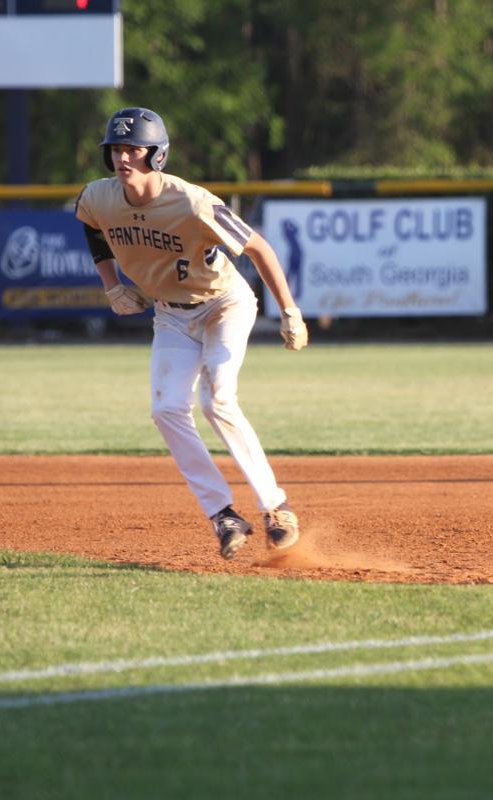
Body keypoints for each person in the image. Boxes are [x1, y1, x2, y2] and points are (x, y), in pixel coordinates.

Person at [74, 107, 309, 561]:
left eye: (134, 149)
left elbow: (258, 248)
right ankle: (223, 515)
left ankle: (276, 508)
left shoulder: (192, 202)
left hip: (224, 304)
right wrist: (112, 286)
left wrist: (291, 312)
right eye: (117, 149)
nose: (124, 157)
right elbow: (92, 228)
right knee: (165, 409)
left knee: (217, 398)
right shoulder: (99, 198)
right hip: (171, 315)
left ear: (155, 155)